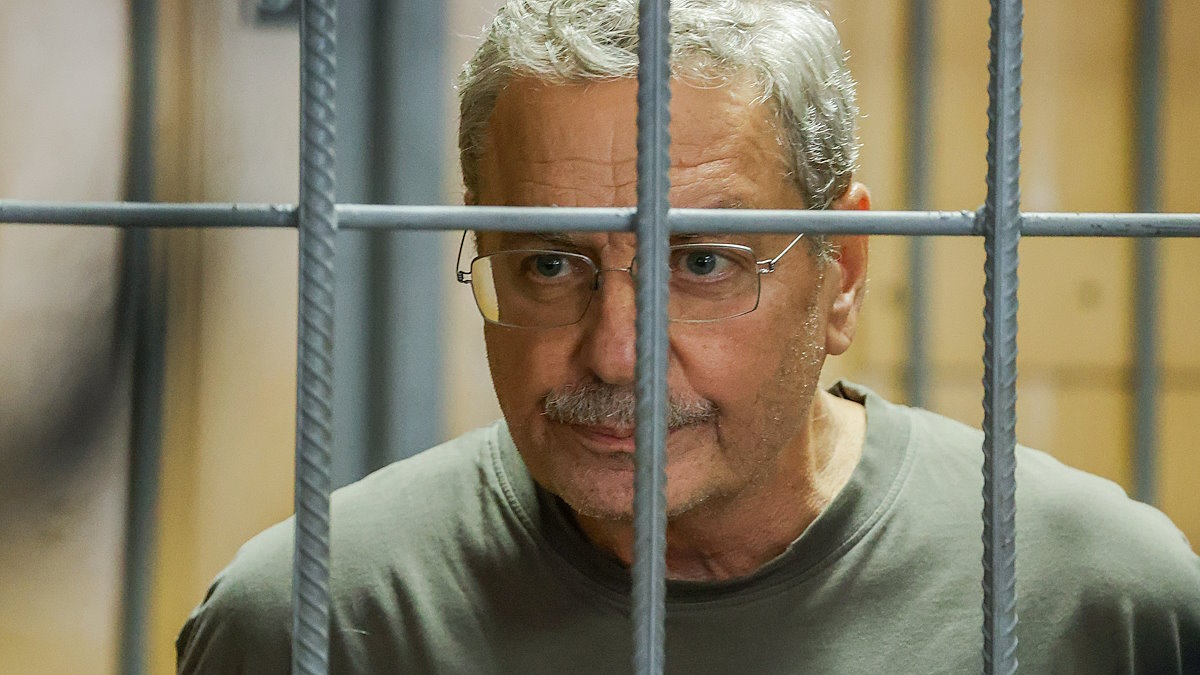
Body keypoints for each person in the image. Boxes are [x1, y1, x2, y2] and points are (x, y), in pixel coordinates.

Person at [177, 1, 1200, 672]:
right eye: (548, 264)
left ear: (841, 274)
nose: (615, 352)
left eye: (702, 263)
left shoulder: (1096, 600)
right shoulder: (315, 617)